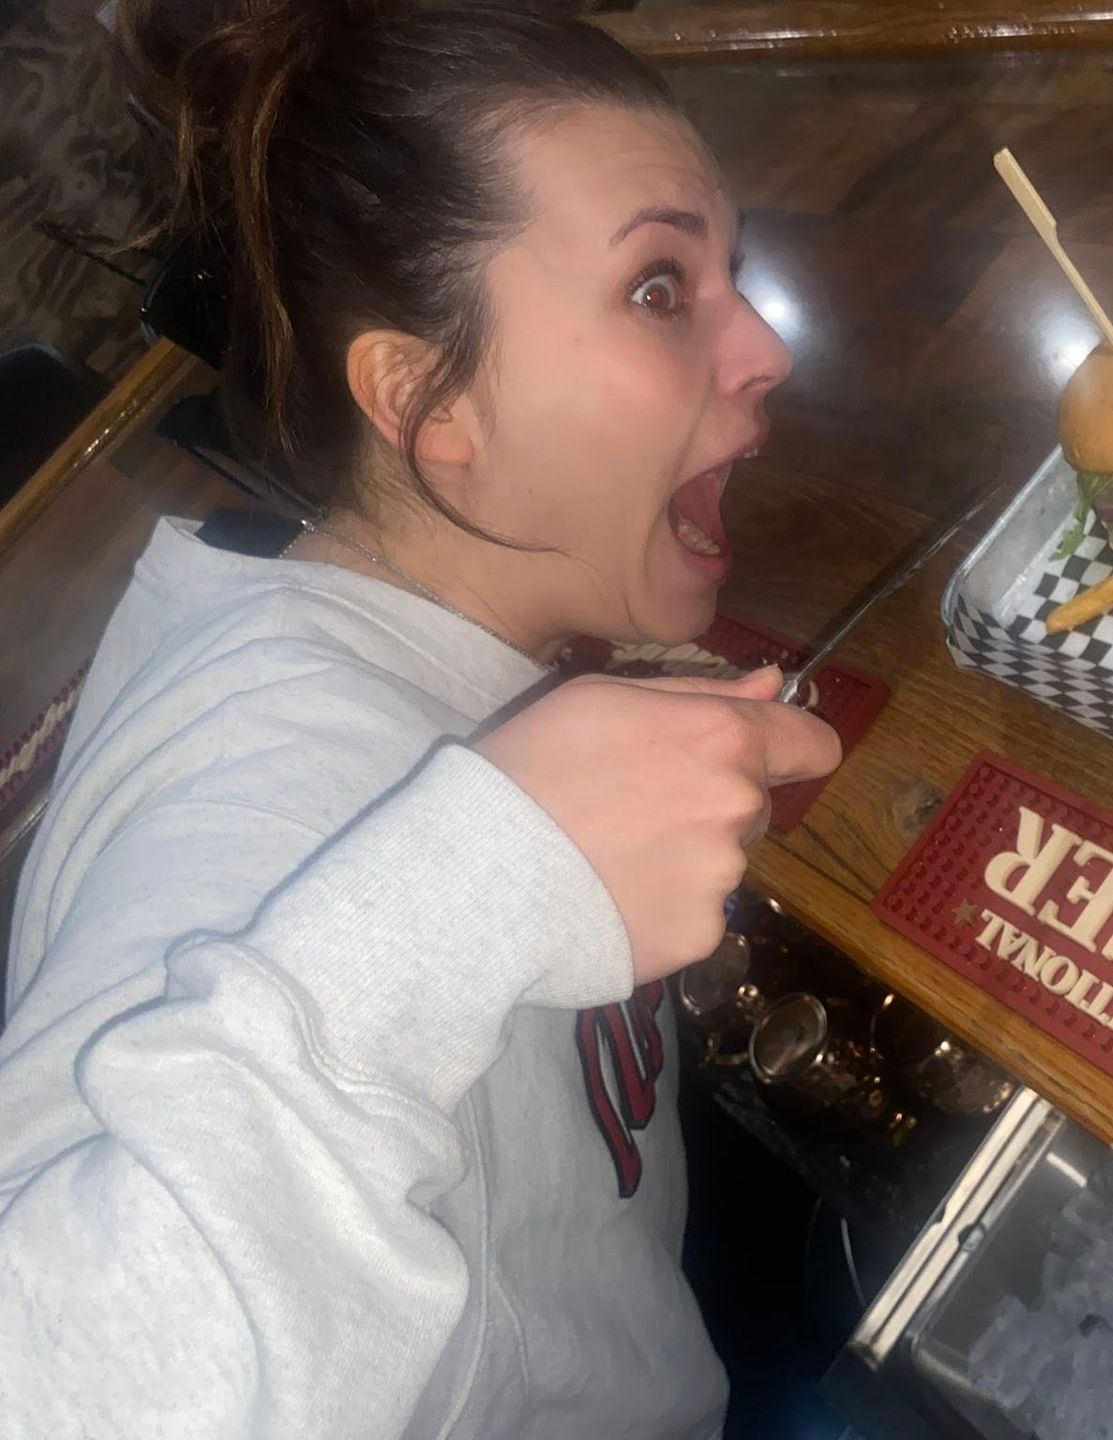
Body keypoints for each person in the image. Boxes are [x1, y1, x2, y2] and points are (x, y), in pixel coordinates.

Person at [0, 3, 843, 1436]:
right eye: (660, 287)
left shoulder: (416, 622)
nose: (762, 346)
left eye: (733, 275)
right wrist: (488, 872)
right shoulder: (281, 791)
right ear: (425, 398)